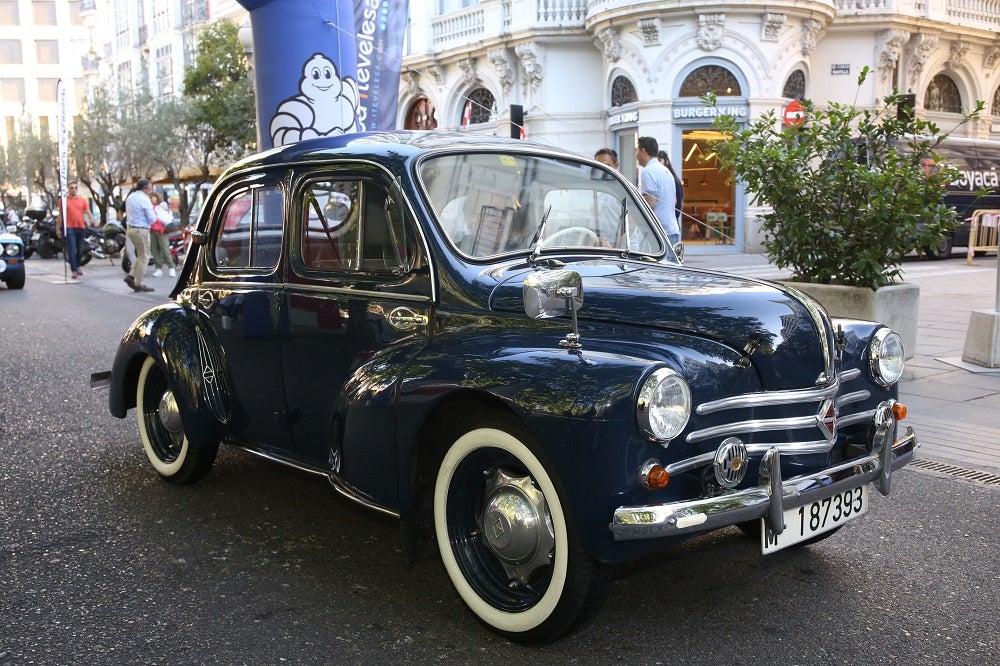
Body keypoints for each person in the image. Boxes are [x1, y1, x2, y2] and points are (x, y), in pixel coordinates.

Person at [636, 137, 680, 246]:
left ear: (643, 151)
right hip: (672, 229)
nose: (636, 156)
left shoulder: (648, 171)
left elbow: (650, 203)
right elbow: (674, 200)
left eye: (637, 151)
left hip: (658, 234)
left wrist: (635, 204)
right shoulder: (666, 171)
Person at [124, 178, 156, 292]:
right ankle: (139, 283)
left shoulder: (130, 197)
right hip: (141, 229)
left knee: (140, 256)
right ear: (145, 189)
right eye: (150, 188)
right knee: (144, 256)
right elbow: (151, 218)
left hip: (131, 229)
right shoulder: (144, 199)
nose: (151, 191)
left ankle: (131, 275)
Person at [60, 180, 95, 279]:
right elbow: (60, 215)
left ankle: (78, 266)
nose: (74, 189)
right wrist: (58, 228)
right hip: (69, 227)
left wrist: (91, 219)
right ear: (68, 189)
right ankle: (73, 270)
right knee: (72, 248)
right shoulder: (64, 200)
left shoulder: (82, 200)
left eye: (75, 188)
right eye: (72, 188)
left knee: (80, 250)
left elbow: (87, 211)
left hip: (80, 227)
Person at [657, 149, 685, 233]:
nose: (657, 163)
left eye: (659, 160)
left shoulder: (674, 182)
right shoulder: (656, 180)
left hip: (670, 228)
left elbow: (678, 206)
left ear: (666, 162)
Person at [149, 192, 175, 278]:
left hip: (162, 231)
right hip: (152, 230)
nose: (152, 199)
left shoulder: (161, 205)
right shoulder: (148, 207)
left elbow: (166, 216)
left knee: (165, 249)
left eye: (154, 197)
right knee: (155, 250)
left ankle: (171, 267)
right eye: (151, 197)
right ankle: (158, 269)